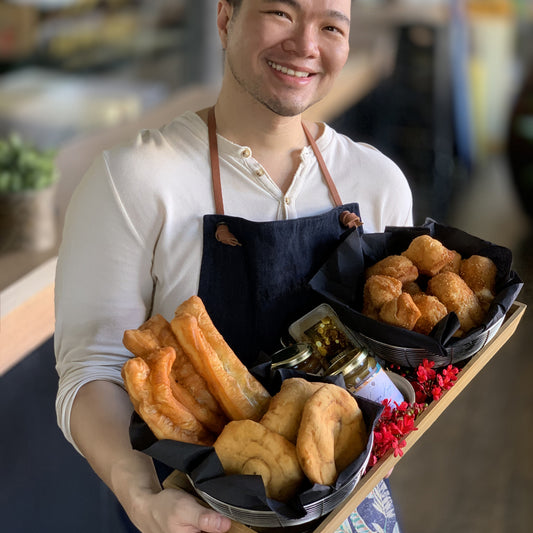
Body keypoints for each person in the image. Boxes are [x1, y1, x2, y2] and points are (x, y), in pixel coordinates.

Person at [54, 1, 413, 532]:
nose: (307, 44)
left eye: (331, 25)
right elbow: (92, 370)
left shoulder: (378, 183)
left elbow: (397, 367)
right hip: (197, 518)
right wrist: (141, 497)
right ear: (225, 18)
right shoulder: (132, 181)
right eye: (281, 13)